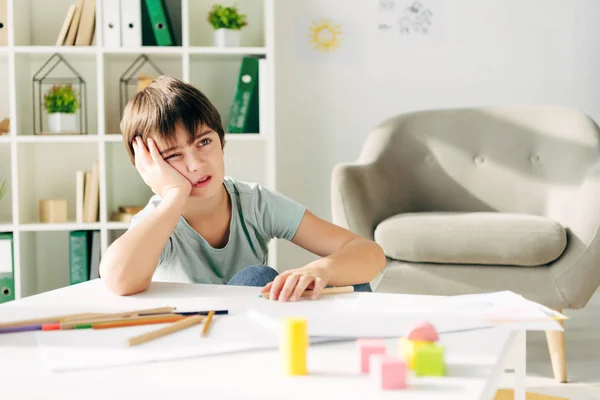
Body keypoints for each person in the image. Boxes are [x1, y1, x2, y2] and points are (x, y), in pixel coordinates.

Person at [99, 76, 386, 302]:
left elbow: (369, 253)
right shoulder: (157, 220)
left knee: (347, 278)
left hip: (256, 336)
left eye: (204, 143)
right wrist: (174, 196)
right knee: (256, 277)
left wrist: (319, 271)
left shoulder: (254, 203)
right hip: (193, 342)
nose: (196, 164)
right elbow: (118, 280)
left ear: (221, 142)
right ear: (148, 166)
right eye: (173, 155)